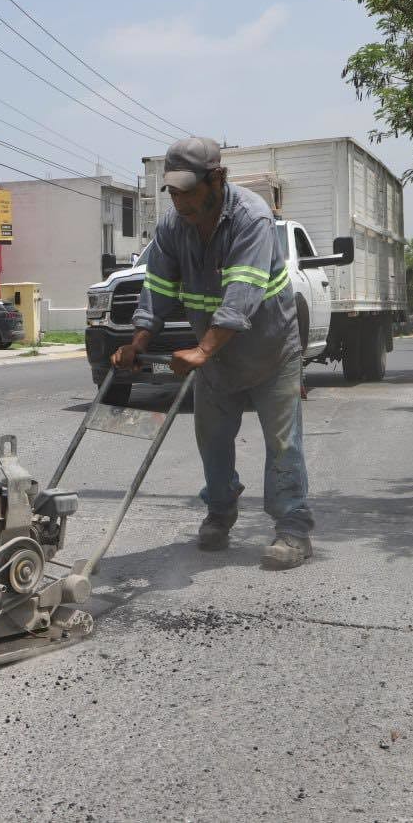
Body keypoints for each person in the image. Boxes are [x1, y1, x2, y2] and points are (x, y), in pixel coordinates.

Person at [111, 136, 313, 569]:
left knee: (283, 444)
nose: (180, 200)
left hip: (270, 352)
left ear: (216, 179)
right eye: (174, 191)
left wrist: (200, 351)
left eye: (189, 190)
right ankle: (220, 512)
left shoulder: (251, 218)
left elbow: (241, 295)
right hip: (218, 359)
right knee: (212, 441)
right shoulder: (172, 227)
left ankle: (293, 529)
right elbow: (159, 289)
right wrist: (137, 343)